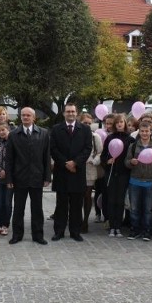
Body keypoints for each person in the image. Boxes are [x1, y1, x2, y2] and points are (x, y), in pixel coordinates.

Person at [6, 107, 51, 245]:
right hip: (20, 177)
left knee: (37, 208)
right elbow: (9, 159)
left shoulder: (43, 134)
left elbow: (46, 157)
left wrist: (47, 177)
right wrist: (9, 178)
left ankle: (38, 235)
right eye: (23, 115)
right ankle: (17, 235)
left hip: (37, 177)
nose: (25, 117)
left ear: (34, 118)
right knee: (18, 208)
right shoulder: (13, 135)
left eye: (28, 115)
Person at [50, 103, 92, 242]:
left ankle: (75, 232)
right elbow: (53, 149)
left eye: (73, 111)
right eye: (68, 111)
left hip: (77, 172)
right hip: (62, 172)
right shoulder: (56, 129)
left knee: (76, 204)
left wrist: (75, 163)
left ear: (77, 113)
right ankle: (59, 231)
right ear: (64, 113)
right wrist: (65, 163)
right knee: (61, 204)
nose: (70, 114)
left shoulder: (85, 129)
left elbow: (87, 149)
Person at [124, 122, 152, 241]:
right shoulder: (134, 146)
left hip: (150, 182)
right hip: (135, 181)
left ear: (151, 132)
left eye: (147, 131)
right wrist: (131, 162)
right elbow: (126, 161)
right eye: (142, 131)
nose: (145, 133)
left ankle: (147, 230)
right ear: (139, 132)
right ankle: (135, 229)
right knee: (134, 208)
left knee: (148, 209)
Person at [100, 114, 135, 238]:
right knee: (111, 200)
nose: (120, 124)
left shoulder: (130, 140)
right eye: (117, 122)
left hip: (124, 174)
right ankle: (111, 226)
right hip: (111, 173)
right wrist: (107, 161)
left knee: (120, 201)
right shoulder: (109, 138)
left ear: (125, 124)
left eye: (122, 122)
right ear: (115, 124)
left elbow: (132, 157)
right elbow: (103, 156)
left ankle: (118, 227)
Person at [80, 113, 103, 234]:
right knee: (76, 195)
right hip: (77, 169)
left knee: (87, 195)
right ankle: (77, 219)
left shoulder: (95, 137)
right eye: (85, 123)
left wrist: (94, 161)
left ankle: (85, 221)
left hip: (90, 169)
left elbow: (100, 152)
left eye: (89, 123)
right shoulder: (76, 135)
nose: (87, 125)